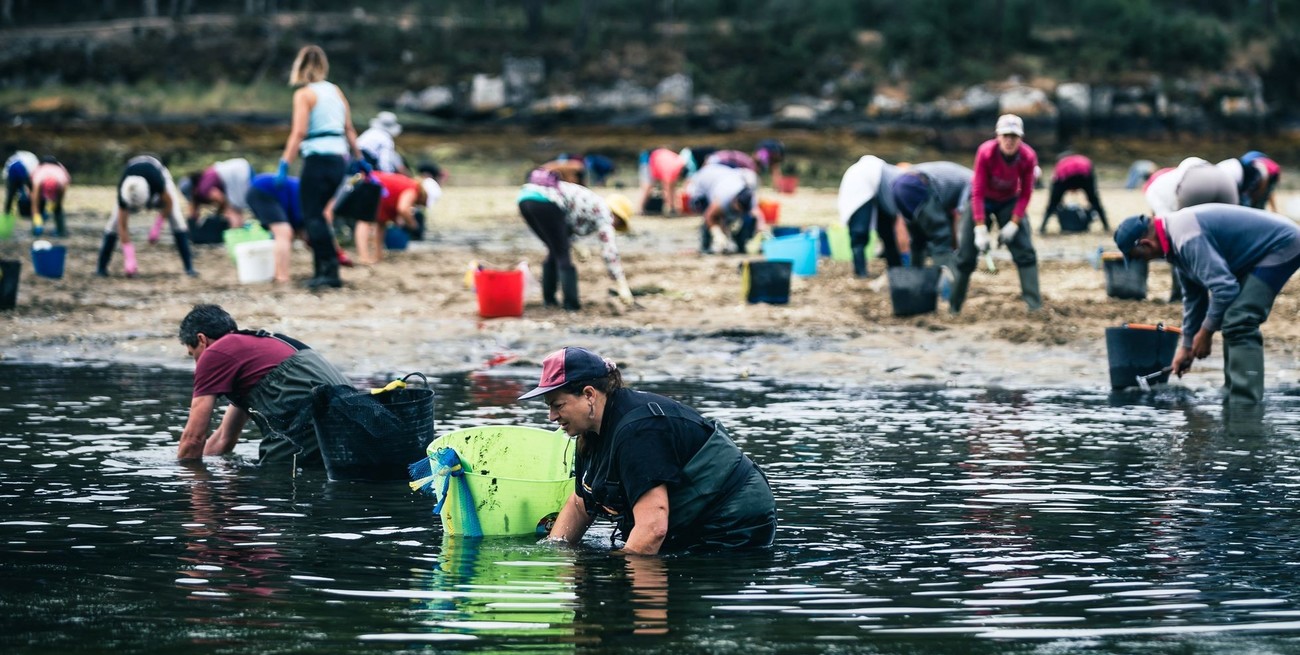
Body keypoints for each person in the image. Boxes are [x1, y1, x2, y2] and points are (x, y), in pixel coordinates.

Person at [520, 346, 777, 554]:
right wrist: (556, 553)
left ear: (589, 395)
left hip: (733, 519)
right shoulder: (589, 431)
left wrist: (617, 571)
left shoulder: (638, 431)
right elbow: (580, 504)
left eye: (558, 405)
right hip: (688, 517)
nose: (552, 416)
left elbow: (653, 529)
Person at [1114, 204, 1300, 406]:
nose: (1144, 261)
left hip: (1283, 244)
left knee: (1240, 319)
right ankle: (1232, 392)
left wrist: (1205, 333)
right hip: (1260, 252)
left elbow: (1225, 289)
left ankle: (1245, 405)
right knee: (1232, 317)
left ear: (1146, 244)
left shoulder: (1186, 238)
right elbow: (1194, 298)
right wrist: (1186, 347)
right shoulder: (1173, 241)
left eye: (1139, 257)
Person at [177, 304, 352, 468]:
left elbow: (193, 439)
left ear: (202, 340)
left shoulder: (215, 353)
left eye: (193, 354)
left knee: (273, 476)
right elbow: (224, 439)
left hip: (312, 417)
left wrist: (184, 474)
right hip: (352, 417)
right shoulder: (259, 349)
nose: (197, 363)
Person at [278, 44, 361, 290]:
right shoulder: (335, 91)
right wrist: (360, 157)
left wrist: (284, 163)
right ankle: (321, 270)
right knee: (323, 216)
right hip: (339, 160)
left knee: (312, 216)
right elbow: (349, 128)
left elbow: (299, 132)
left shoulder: (304, 94)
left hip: (317, 160)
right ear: (324, 66)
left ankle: (330, 271)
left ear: (299, 67)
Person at [950, 114, 1041, 314]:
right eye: (1005, 136)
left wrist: (1014, 223)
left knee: (1025, 252)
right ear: (998, 136)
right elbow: (977, 192)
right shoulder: (986, 152)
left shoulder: (1028, 156)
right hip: (982, 199)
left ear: (1020, 138)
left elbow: (1026, 193)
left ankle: (1034, 306)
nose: (1009, 141)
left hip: (1009, 200)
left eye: (1014, 136)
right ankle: (954, 307)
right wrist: (980, 228)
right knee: (966, 256)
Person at [517, 179, 634, 310]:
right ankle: (571, 304)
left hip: (525, 198)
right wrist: (621, 282)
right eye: (620, 222)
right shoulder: (605, 214)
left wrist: (574, 242)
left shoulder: (593, 204)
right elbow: (609, 252)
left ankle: (549, 301)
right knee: (562, 253)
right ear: (617, 215)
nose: (616, 226)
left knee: (555, 249)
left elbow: (566, 225)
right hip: (545, 200)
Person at [1144, 157, 1238, 302]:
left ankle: (1180, 293)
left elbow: (1167, 230)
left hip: (1195, 184)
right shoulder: (1169, 179)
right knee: (1229, 240)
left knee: (1179, 242)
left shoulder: (1152, 193)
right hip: (1225, 179)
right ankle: (1233, 291)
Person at [97, 155, 196, 278]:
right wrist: (129, 257)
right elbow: (122, 226)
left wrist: (158, 225)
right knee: (113, 223)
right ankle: (101, 268)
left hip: (157, 169)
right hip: (133, 169)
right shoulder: (124, 190)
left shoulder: (157, 181)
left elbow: (169, 203)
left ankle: (189, 267)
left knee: (176, 218)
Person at [889, 161, 970, 285]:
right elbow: (960, 216)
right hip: (916, 186)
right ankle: (947, 286)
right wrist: (957, 247)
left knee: (918, 240)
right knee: (941, 237)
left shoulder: (960, 177)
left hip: (899, 185)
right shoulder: (973, 181)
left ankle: (913, 285)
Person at [836, 155, 904, 277]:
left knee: (887, 233)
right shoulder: (863, 176)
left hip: (877, 189)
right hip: (861, 193)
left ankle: (896, 268)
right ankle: (861, 272)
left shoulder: (892, 177)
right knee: (860, 234)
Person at [353, 170, 440, 265]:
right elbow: (403, 209)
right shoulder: (412, 189)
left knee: (381, 223)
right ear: (424, 194)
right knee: (364, 221)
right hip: (370, 185)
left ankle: (378, 256)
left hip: (376, 190)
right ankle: (364, 257)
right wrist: (412, 224)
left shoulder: (409, 185)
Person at [690, 163, 759, 255]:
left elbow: (756, 216)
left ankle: (740, 244)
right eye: (739, 208)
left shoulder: (751, 199)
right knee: (713, 216)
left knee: (745, 220)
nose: (740, 211)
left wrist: (759, 233)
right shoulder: (723, 198)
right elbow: (709, 215)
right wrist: (717, 233)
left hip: (724, 176)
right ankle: (706, 246)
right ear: (735, 201)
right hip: (704, 182)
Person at [245, 171, 302, 284]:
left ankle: (278, 274)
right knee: (284, 233)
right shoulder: (308, 201)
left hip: (264, 191)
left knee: (283, 233)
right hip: (262, 191)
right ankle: (282, 277)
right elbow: (301, 227)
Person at [177, 158, 253, 237]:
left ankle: (236, 235)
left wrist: (221, 213)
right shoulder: (205, 177)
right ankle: (242, 231)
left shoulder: (202, 189)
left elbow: (219, 197)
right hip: (242, 166)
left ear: (193, 190)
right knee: (235, 209)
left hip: (238, 174)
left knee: (233, 211)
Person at [1040, 153, 1108, 234]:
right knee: (1094, 201)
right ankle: (1106, 225)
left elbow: (1056, 179)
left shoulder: (1061, 163)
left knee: (1053, 203)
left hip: (1065, 177)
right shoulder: (1083, 159)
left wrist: (1059, 202)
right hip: (1084, 174)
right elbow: (1091, 173)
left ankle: (1042, 227)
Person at [636, 147, 687, 216]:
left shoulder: (678, 164)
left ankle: (671, 208)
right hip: (648, 159)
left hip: (657, 157)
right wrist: (671, 206)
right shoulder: (671, 169)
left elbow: (672, 187)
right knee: (647, 187)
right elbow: (666, 189)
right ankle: (639, 209)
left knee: (669, 187)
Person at [30, 155, 70, 237]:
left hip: (58, 181)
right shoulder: (38, 179)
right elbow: (34, 203)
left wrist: (50, 209)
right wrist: (37, 219)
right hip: (41, 177)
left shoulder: (62, 180)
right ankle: (35, 229)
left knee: (58, 209)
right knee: (39, 205)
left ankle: (61, 231)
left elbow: (59, 201)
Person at [4, 150, 37, 225]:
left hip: (12, 178)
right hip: (23, 177)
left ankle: (7, 213)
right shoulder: (28, 159)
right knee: (25, 194)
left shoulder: (12, 160)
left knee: (10, 196)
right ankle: (28, 212)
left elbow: (6, 174)